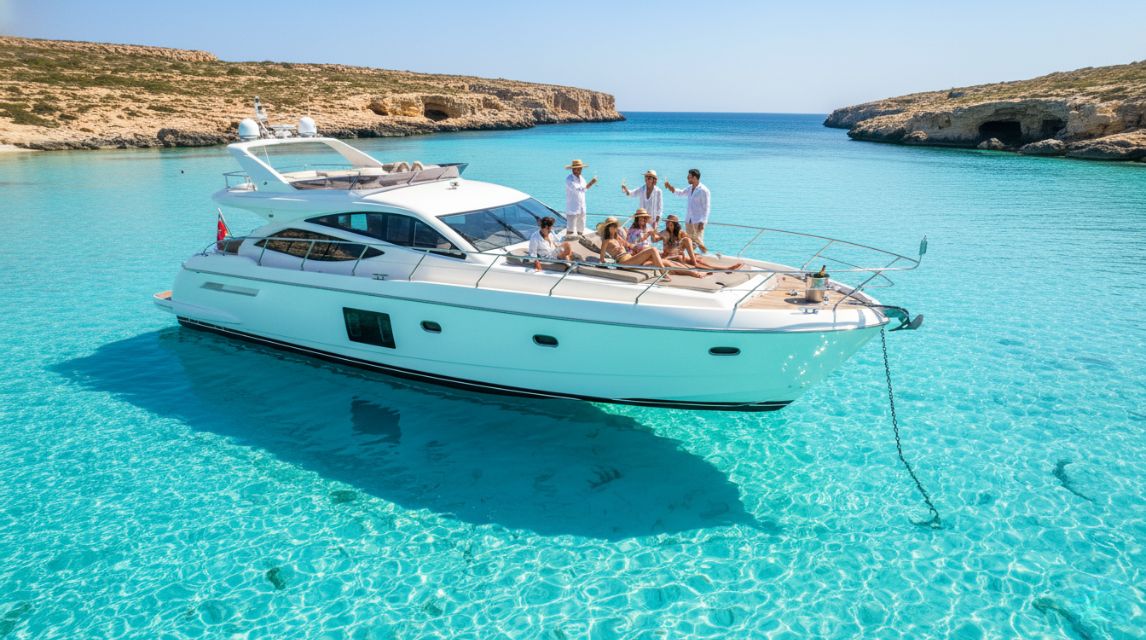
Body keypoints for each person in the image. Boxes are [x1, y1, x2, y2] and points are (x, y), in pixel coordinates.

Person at [658, 214, 741, 273]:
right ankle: (725, 269)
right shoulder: (664, 233)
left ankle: (725, 269)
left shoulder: (681, 233)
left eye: (670, 222)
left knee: (698, 261)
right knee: (696, 263)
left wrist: (700, 245)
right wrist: (651, 232)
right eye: (667, 222)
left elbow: (691, 241)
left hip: (678, 255)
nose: (668, 224)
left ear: (675, 224)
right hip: (671, 257)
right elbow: (655, 239)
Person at [598, 220, 670, 280]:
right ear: (608, 228)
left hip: (630, 258)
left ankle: (677, 270)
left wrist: (638, 246)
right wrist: (608, 265)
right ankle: (664, 273)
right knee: (653, 250)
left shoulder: (618, 238)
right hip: (623, 262)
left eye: (615, 226)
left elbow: (629, 245)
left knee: (655, 256)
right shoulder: (606, 241)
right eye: (612, 226)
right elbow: (601, 259)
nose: (615, 228)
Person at [665, 168, 710, 253]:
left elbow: (706, 207)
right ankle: (692, 257)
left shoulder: (703, 190)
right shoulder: (690, 188)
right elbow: (681, 193)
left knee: (699, 241)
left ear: (694, 177)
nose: (687, 178)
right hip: (689, 220)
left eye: (689, 177)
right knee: (690, 241)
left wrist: (703, 222)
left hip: (697, 221)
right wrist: (670, 187)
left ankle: (706, 255)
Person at [564, 159, 597, 237]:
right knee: (570, 229)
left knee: (581, 228)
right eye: (578, 168)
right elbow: (578, 189)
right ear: (573, 169)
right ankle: (568, 242)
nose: (580, 170)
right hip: (573, 207)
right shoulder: (569, 179)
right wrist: (591, 183)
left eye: (581, 168)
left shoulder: (582, 178)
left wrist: (591, 184)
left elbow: (584, 189)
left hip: (582, 207)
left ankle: (579, 242)